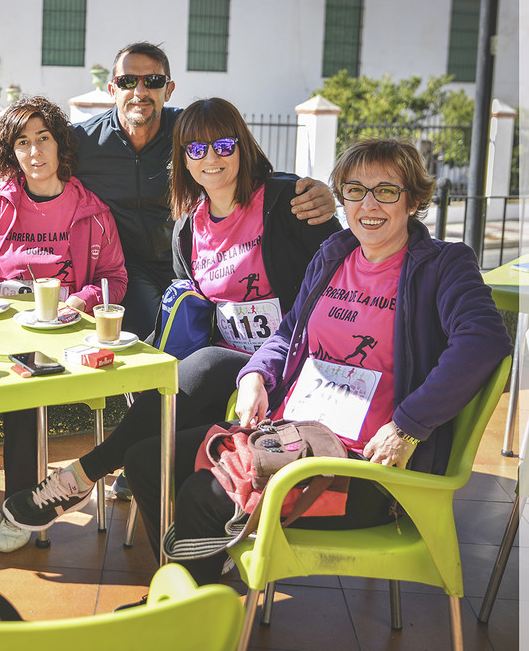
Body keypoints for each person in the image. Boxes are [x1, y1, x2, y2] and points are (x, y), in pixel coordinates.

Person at [122, 138, 512, 582]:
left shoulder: (443, 265)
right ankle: (199, 592)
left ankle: (198, 617)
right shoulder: (335, 254)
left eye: (386, 190)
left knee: (201, 495)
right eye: (354, 190)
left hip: (363, 467)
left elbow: (483, 340)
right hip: (289, 435)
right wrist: (254, 376)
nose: (369, 204)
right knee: (148, 460)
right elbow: (288, 332)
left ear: (414, 199)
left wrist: (408, 426)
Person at [3, 98, 340, 532]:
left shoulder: (285, 201)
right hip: (228, 376)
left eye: (222, 144)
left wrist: (331, 198)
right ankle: (181, 565)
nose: (211, 158)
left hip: (290, 361)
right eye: (195, 150)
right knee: (149, 448)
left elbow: (349, 264)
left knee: (207, 363)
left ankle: (82, 475)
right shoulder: (188, 229)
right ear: (182, 160)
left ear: (243, 145)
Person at [0, 42, 337, 339]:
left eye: (152, 81)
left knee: (202, 335)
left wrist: (311, 189)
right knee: (156, 334)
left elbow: (242, 163)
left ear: (168, 89)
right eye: (127, 81)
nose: (140, 91)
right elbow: (29, 178)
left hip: (196, 263)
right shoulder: (84, 141)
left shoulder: (190, 131)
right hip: (130, 267)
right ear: (112, 88)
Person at [0, 96, 128, 552]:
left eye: (43, 138)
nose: (35, 151)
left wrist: (79, 301)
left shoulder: (93, 212)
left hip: (56, 339)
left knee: (25, 392)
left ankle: (22, 503)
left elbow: (115, 279)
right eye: (23, 142)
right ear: (11, 152)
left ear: (61, 144)